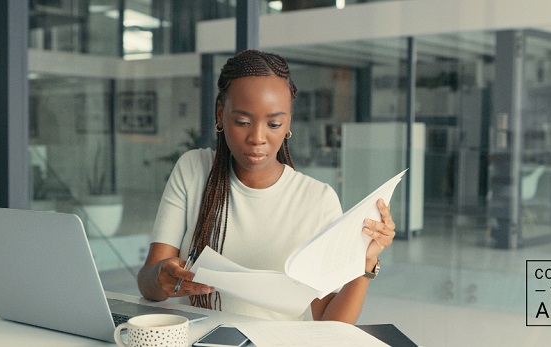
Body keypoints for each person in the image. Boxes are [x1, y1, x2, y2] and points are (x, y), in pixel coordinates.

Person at [137, 49, 396, 324]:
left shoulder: (317, 200)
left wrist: (365, 263)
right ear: (220, 112)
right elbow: (148, 284)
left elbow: (330, 325)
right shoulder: (193, 169)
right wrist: (161, 278)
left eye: (274, 123)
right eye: (243, 122)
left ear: (288, 122)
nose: (257, 138)